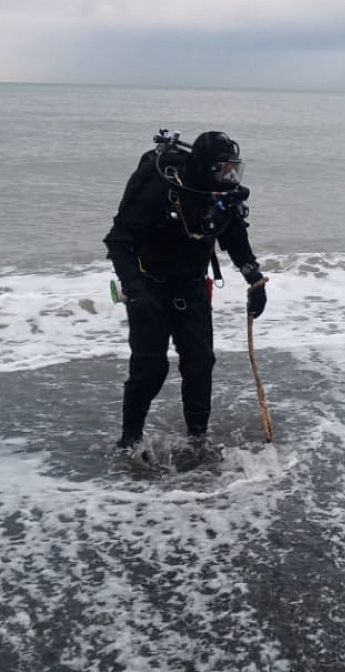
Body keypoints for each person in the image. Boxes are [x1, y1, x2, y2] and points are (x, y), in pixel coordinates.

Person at [104, 130, 268, 449]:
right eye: (222, 169)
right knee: (150, 368)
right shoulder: (161, 189)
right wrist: (133, 290)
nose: (230, 176)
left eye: (233, 168)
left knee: (200, 362)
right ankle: (129, 441)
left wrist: (255, 279)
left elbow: (234, 237)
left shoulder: (222, 195)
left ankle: (197, 439)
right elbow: (118, 239)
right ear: (205, 167)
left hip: (192, 285)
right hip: (148, 285)